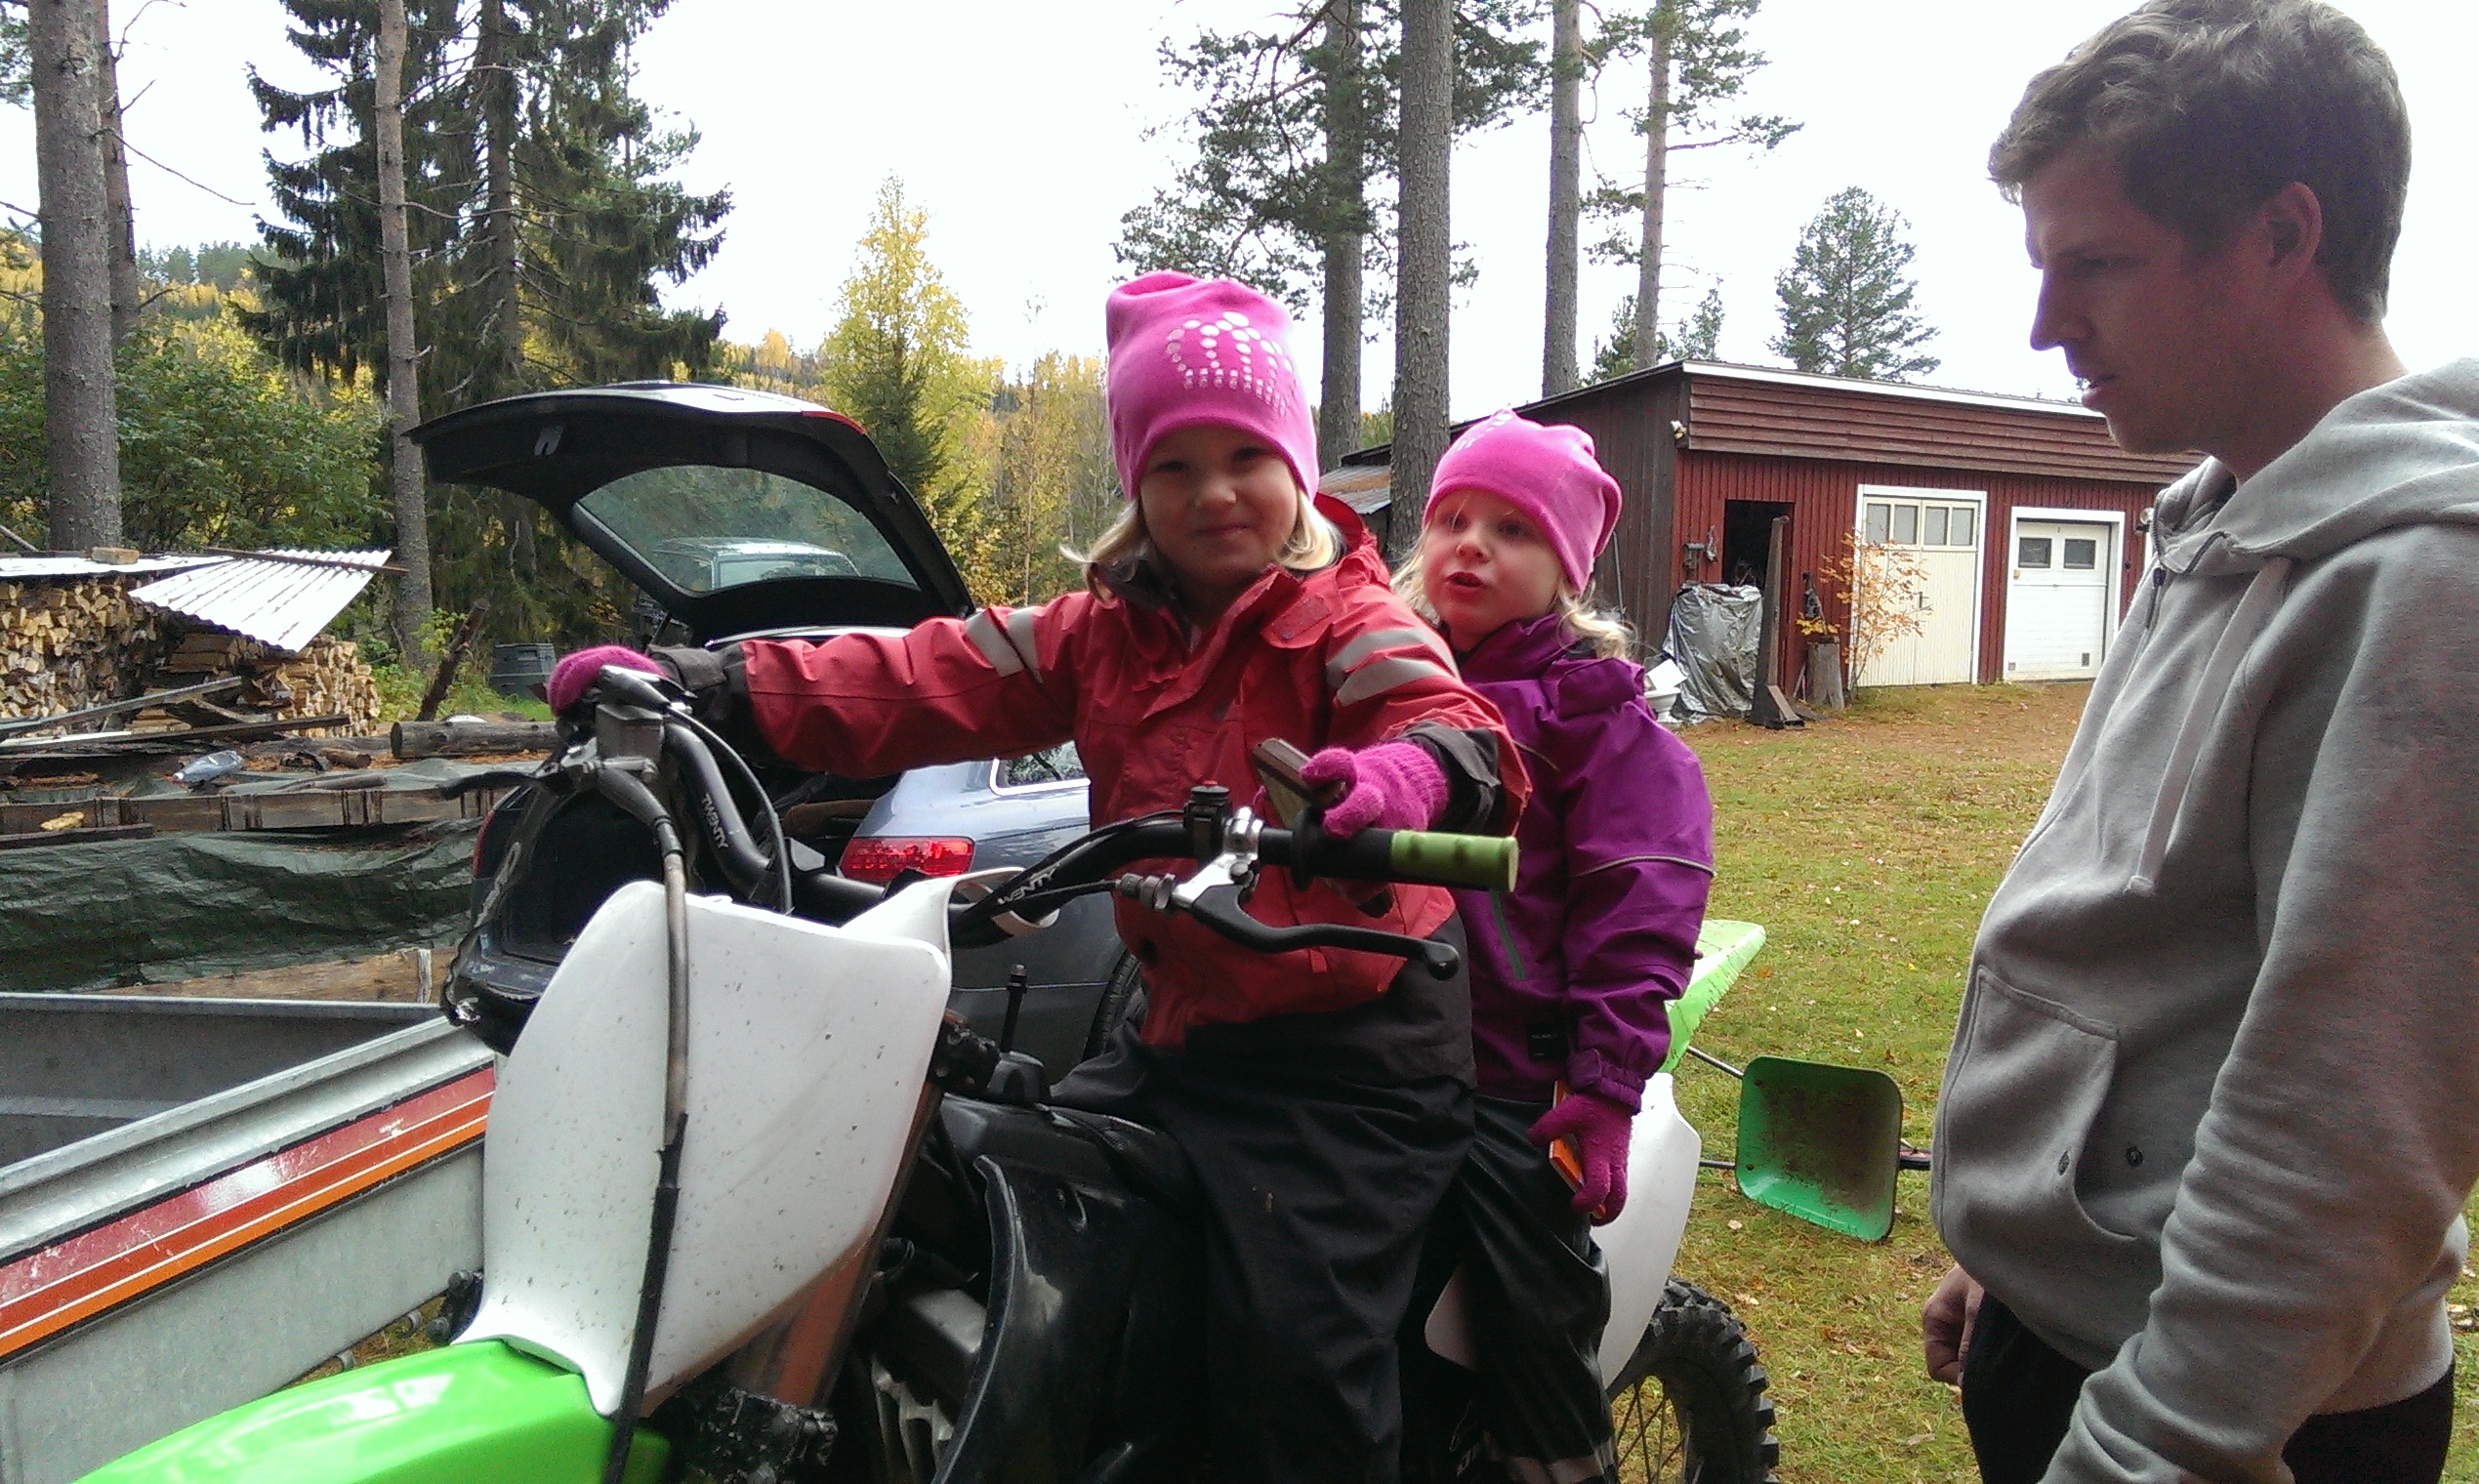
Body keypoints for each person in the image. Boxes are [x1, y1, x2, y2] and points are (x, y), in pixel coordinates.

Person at [547, 271, 1527, 1484]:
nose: (1214, 491)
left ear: (1294, 463)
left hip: (1349, 1067)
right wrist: (717, 685)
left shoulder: (1350, 619)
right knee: (1000, 1210)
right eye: (1175, 464)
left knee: (1293, 1369)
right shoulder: (1099, 632)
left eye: (1244, 455)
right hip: (1179, 1035)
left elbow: (1450, 725)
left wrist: (1404, 781)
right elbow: (926, 672)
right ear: (1137, 485)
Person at [1918, 4, 2479, 1482]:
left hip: (2238, 1422)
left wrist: (2148, 1446)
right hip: (2086, 1327)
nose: (2048, 326)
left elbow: (2350, 1133)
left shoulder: (2456, 592)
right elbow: (2158, 941)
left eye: (2096, 264)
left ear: (2283, 235)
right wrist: (2030, 1247)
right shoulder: (2232, 518)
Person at [1384, 410, 1715, 1484]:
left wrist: (1605, 1083)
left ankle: (1557, 1458)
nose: (1471, 547)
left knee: (1532, 1297)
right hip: (1370, 1051)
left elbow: (1641, 899)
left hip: (1509, 1076)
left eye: (1513, 530)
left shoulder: (1594, 717)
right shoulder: (1380, 678)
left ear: (1567, 569)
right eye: (1452, 520)